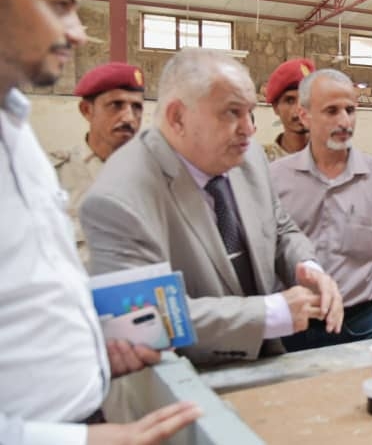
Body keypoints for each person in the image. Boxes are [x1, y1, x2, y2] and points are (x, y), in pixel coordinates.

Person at [0, 0, 200, 441]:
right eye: (59, 6)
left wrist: (92, 353)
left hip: (88, 403)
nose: (76, 33)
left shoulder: (18, 138)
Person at [81, 48, 344, 366]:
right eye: (232, 113)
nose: (249, 129)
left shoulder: (248, 157)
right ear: (178, 117)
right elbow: (144, 320)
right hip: (185, 378)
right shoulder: (118, 198)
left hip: (263, 367)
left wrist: (307, 267)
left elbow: (278, 227)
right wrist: (269, 314)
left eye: (250, 113)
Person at [271, 69, 372, 348]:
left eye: (350, 110)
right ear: (304, 115)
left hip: (359, 324)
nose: (344, 121)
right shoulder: (275, 179)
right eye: (331, 111)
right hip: (292, 326)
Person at [50, 62, 144, 266]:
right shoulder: (54, 175)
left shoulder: (155, 177)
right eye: (116, 105)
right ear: (86, 110)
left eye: (137, 107)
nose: (129, 117)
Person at [263, 58, 314, 162]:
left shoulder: (335, 159)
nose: (299, 109)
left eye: (305, 100)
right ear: (276, 107)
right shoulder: (262, 161)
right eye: (290, 101)